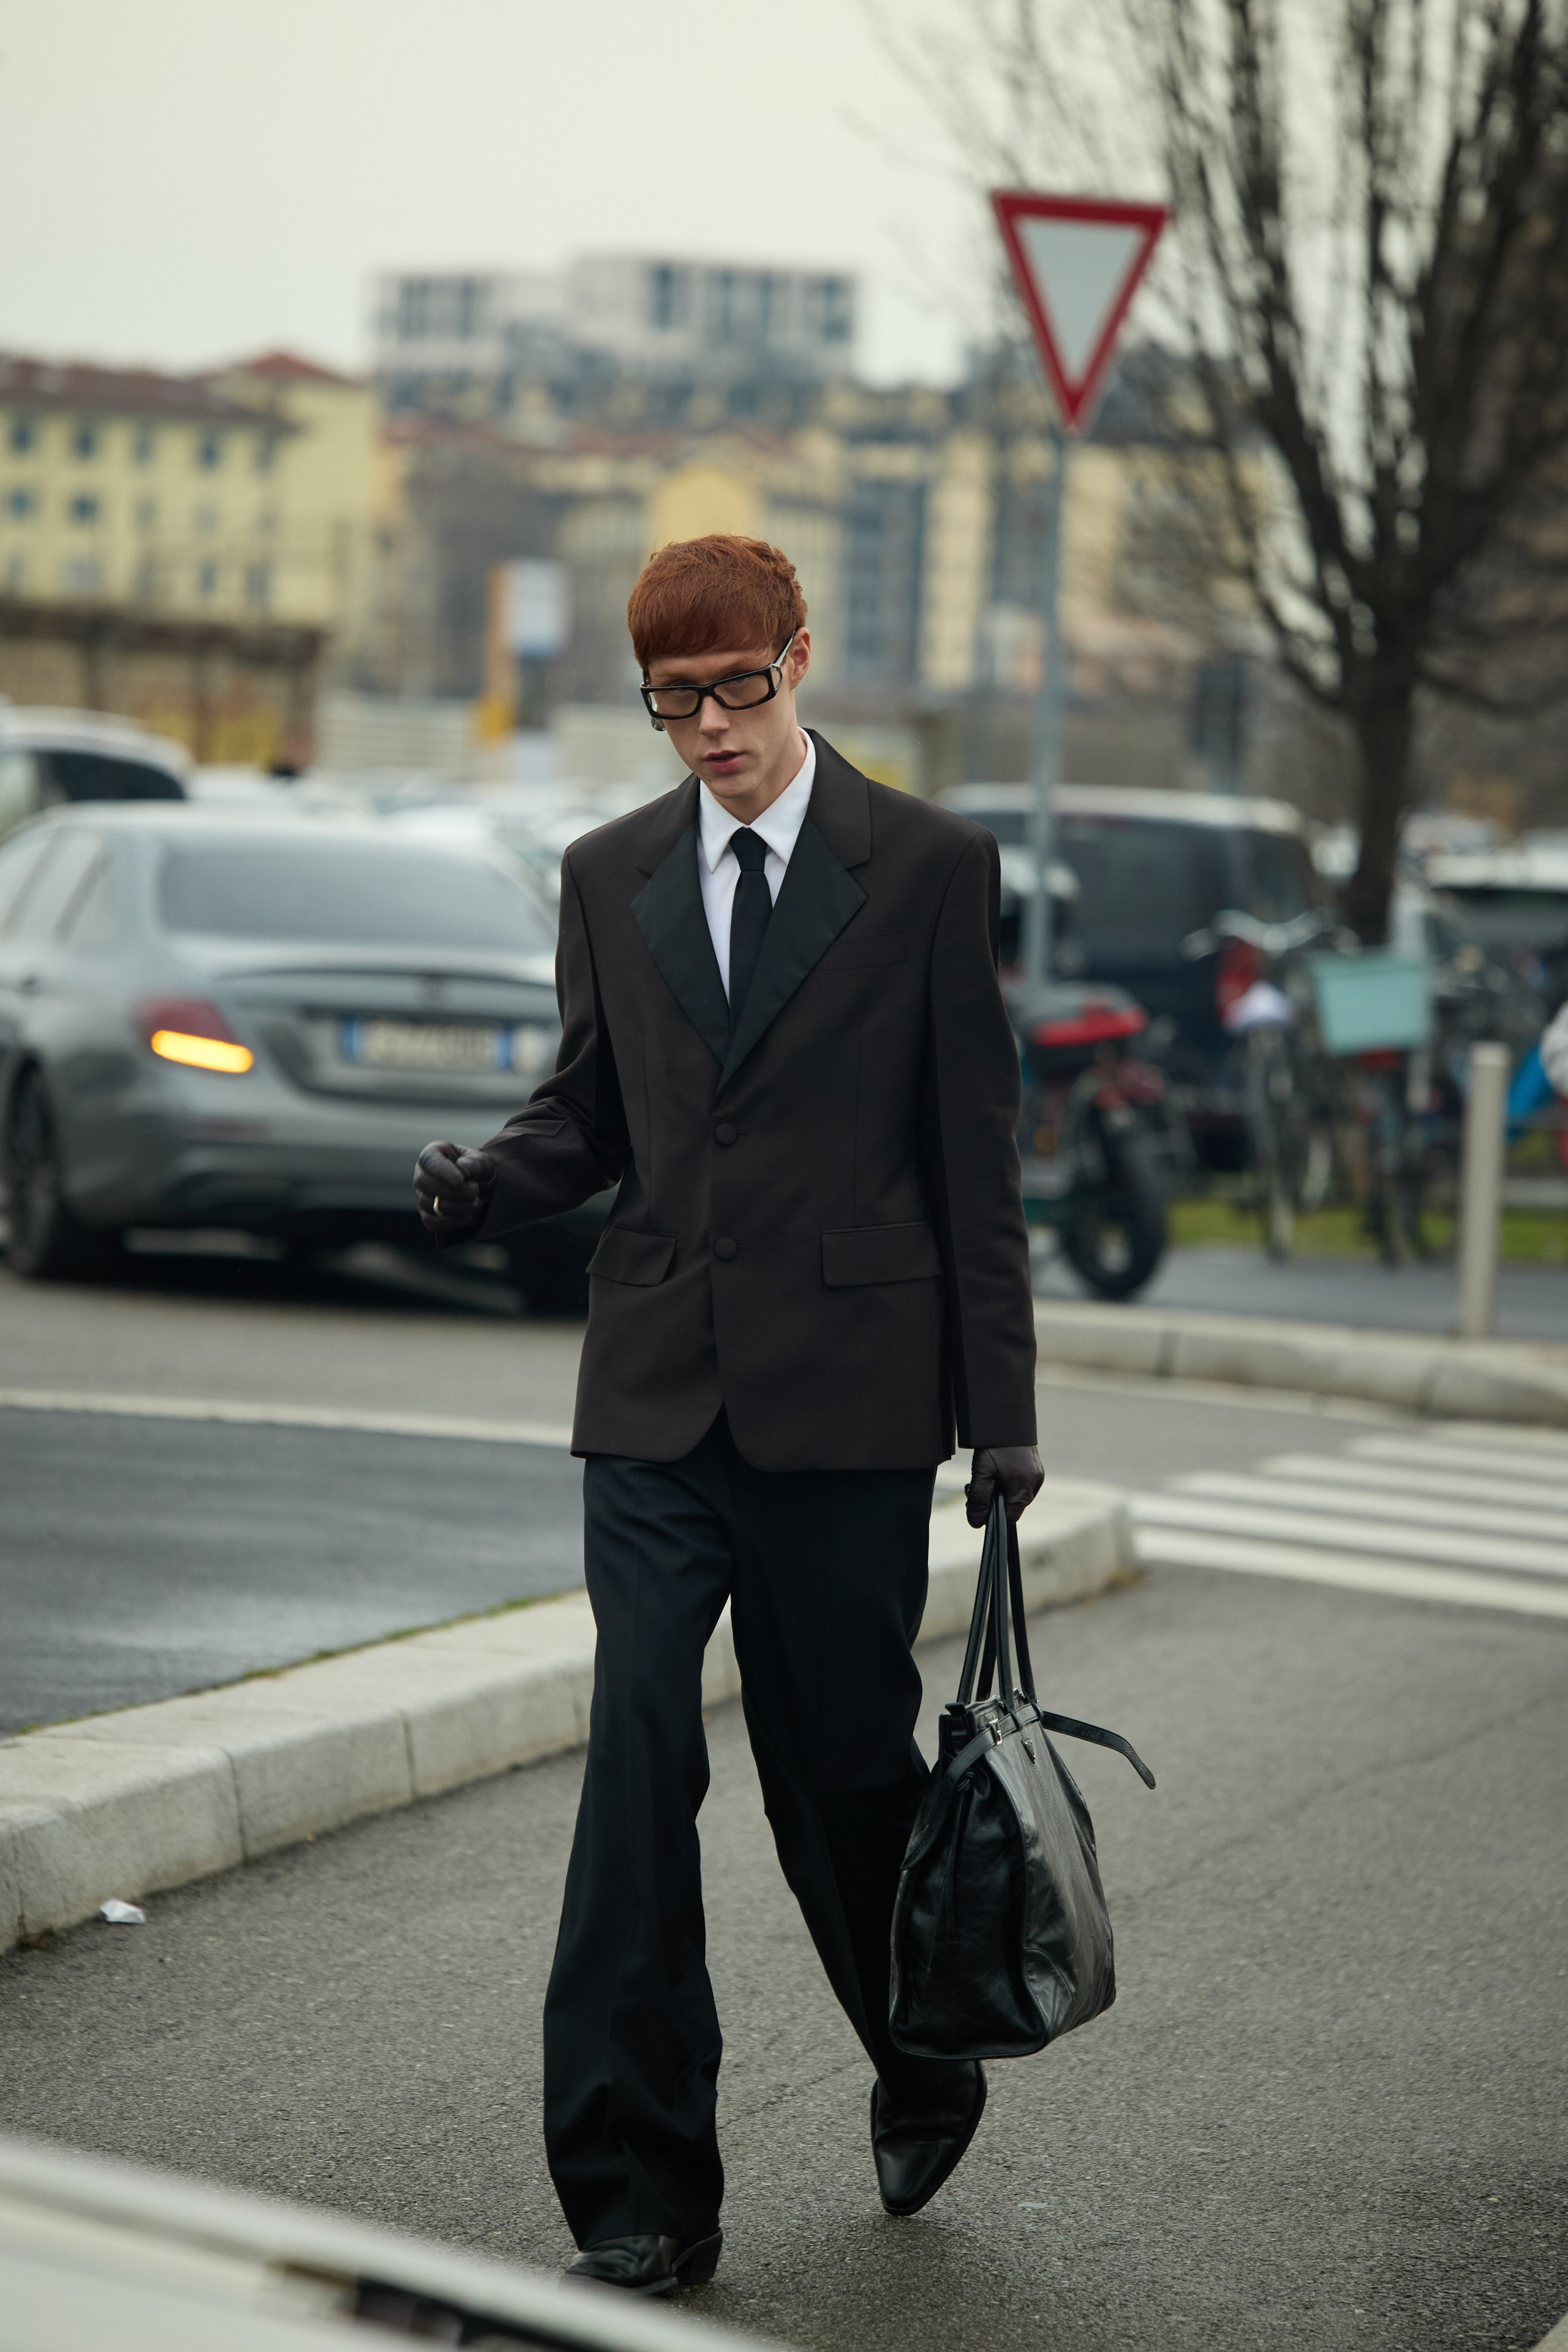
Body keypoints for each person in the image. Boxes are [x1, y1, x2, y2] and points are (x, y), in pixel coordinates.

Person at [413, 534, 1041, 2296]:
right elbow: (589, 1112)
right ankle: (641, 2185)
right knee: (636, 1764)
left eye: (737, 688)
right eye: (672, 701)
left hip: (851, 1407)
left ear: (801, 659)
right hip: (658, 1394)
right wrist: (490, 1182)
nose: (709, 730)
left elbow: (969, 1160)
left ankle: (919, 2047)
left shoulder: (923, 864)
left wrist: (1003, 1412)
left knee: (843, 1776)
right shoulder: (607, 873)